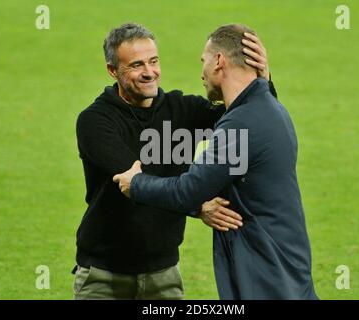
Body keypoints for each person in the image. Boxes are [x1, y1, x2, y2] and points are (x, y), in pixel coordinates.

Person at [114, 24, 318, 300]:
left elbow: (190, 190)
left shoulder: (241, 124)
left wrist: (136, 184)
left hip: (265, 276)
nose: (202, 73)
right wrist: (265, 80)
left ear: (219, 61)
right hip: (284, 268)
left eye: (204, 61)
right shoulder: (269, 109)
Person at [74, 22, 273, 299]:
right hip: (103, 277)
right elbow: (136, 181)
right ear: (112, 71)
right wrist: (197, 204)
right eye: (136, 65)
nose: (149, 72)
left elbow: (251, 121)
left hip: (164, 274)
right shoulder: (95, 121)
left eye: (153, 61)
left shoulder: (183, 110)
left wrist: (261, 81)